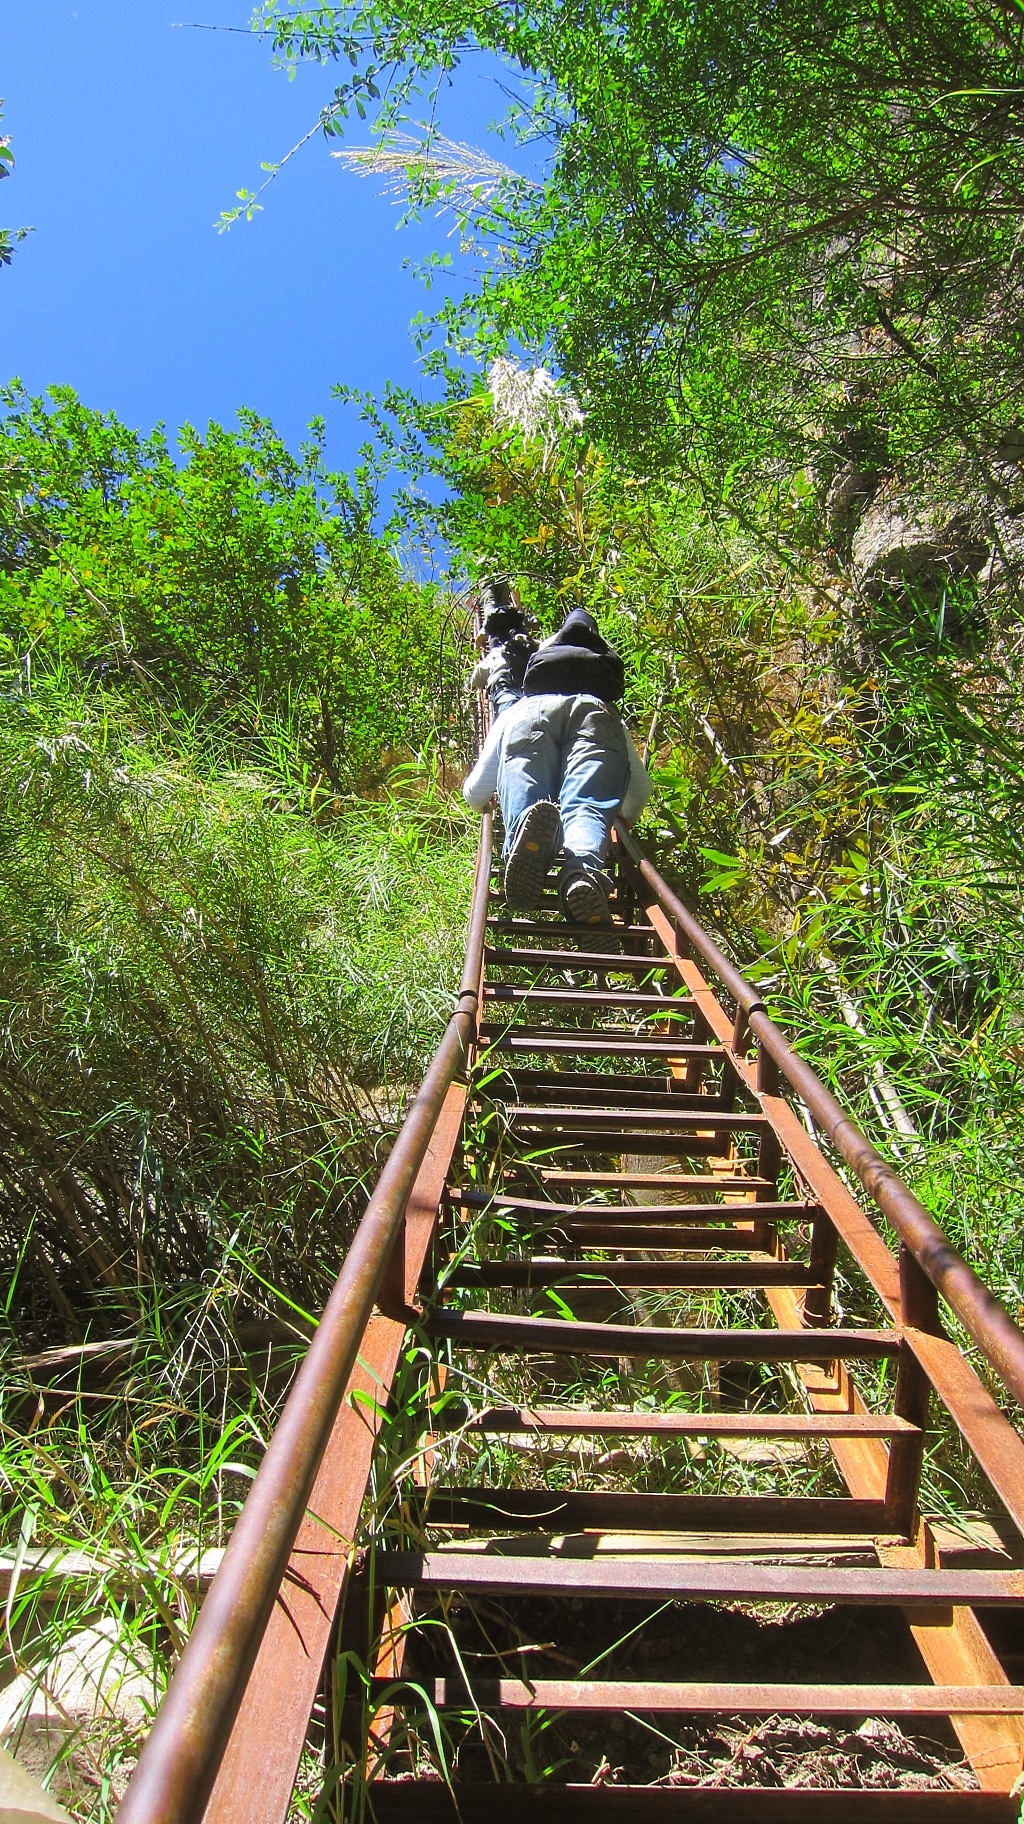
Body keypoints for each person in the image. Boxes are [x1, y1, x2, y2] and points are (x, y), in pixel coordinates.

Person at [463, 606, 652, 925]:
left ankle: (524, 840)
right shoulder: (608, 712)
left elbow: (475, 790)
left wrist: (483, 800)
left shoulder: (518, 707)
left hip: (531, 717)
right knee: (588, 807)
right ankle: (581, 875)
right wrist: (625, 816)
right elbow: (640, 788)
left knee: (526, 789)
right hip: (597, 716)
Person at [467, 579, 537, 718]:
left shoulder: (495, 655)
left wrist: (476, 649)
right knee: (497, 603)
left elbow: (476, 678)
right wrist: (518, 607)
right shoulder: (525, 642)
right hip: (512, 625)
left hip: (499, 631)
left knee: (489, 605)